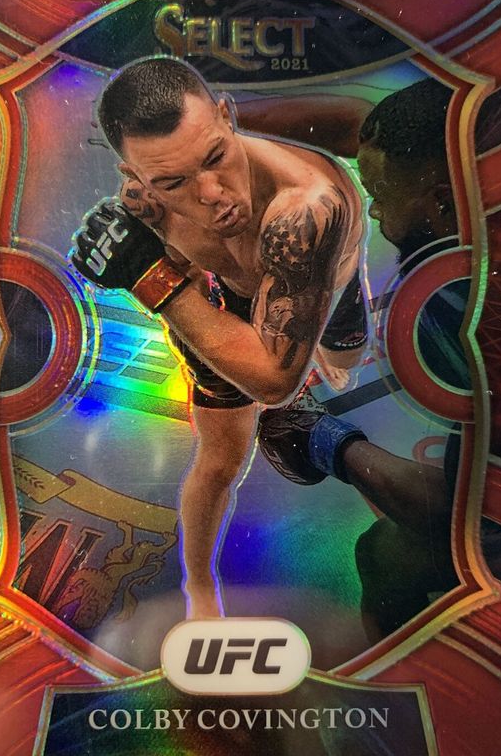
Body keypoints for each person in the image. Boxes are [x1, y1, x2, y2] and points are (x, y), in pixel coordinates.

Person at [71, 56, 369, 618]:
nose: (213, 195)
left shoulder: (305, 207)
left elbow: (275, 383)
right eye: (173, 182)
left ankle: (327, 348)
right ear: (138, 177)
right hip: (222, 297)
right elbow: (167, 271)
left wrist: (148, 278)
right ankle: (201, 589)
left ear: (227, 117)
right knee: (220, 460)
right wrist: (146, 266)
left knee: (346, 356)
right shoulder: (143, 201)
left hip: (321, 280)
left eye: (215, 158)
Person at [259, 77, 501, 639]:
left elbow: (456, 515)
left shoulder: (467, 315)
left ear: (442, 203)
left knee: (387, 552)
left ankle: (413, 683)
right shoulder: (482, 155)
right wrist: (220, 125)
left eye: (379, 193)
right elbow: (367, 125)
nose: (374, 209)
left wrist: (325, 441)